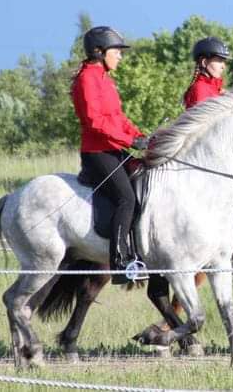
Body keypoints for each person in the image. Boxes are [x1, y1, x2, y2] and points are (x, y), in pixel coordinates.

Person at [71, 26, 148, 285]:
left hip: (113, 148)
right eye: (116, 51)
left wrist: (141, 136)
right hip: (97, 153)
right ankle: (119, 263)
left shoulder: (104, 78)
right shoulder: (87, 79)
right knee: (126, 198)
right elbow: (95, 122)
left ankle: (140, 250)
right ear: (99, 51)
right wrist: (130, 140)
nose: (120, 57)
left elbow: (117, 118)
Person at [183, 37, 231, 109]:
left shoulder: (216, 88)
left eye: (224, 61)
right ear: (204, 62)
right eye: (220, 61)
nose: (223, 66)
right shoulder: (200, 90)